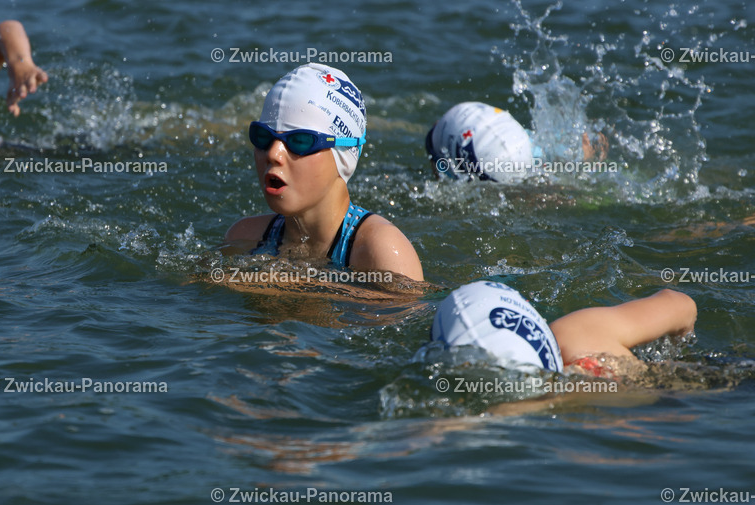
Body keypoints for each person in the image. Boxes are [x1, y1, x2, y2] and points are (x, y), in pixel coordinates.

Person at [223, 64, 424, 281]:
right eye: (263, 137)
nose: (273, 153)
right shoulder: (244, 238)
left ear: (344, 155)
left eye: (299, 141)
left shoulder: (382, 252)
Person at [430, 280, 696, 378]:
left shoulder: (558, 401)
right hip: (720, 388)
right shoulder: (577, 334)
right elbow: (681, 304)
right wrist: (673, 355)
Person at [425, 101, 608, 183]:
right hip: (515, 139)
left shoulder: (438, 142)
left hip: (482, 150)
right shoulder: (529, 142)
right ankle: (582, 160)